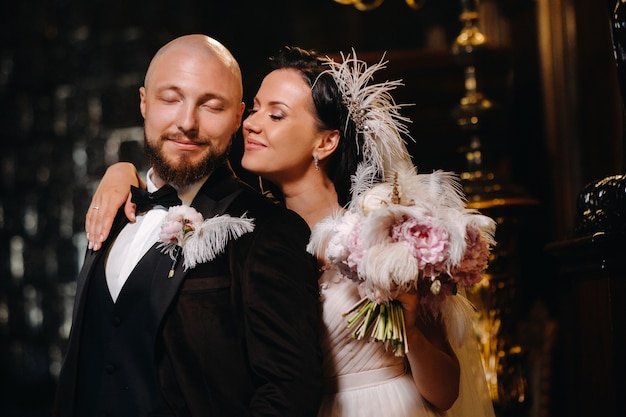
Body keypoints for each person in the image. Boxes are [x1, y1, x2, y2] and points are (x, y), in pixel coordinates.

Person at [87, 46, 496, 417]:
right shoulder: (249, 230)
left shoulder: (383, 231)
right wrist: (123, 173)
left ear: (326, 142)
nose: (252, 125)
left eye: (276, 115)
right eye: (255, 110)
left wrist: (408, 322)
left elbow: (445, 393)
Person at [54, 35, 323, 417]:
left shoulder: (267, 230)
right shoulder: (114, 206)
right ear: (144, 102)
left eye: (211, 106)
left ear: (237, 118)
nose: (186, 123)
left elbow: (289, 392)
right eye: (170, 99)